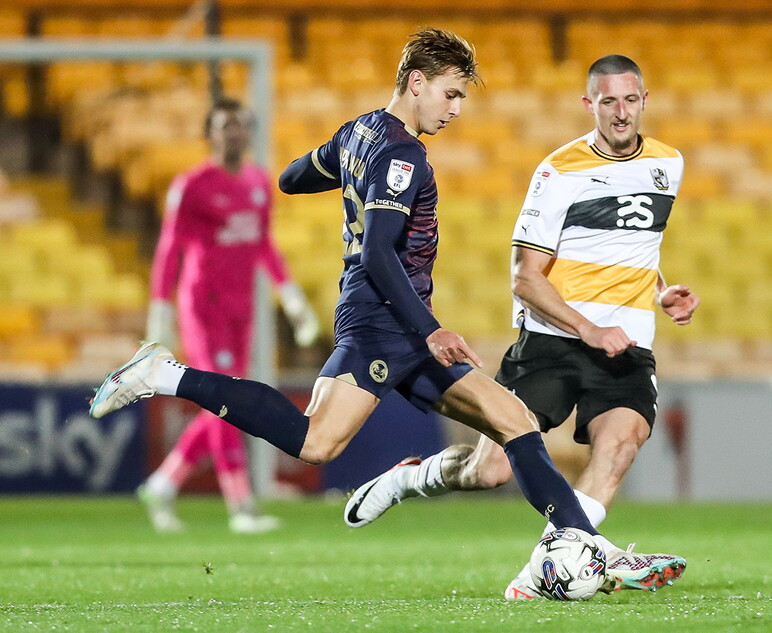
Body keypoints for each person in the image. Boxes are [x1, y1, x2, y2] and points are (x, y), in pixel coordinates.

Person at [89, 29, 660, 594]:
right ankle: (163, 373)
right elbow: (380, 251)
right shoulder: (403, 154)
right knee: (316, 443)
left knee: (515, 422)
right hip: (386, 324)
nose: (455, 109)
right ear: (417, 82)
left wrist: (349, 166)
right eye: (451, 93)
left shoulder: (360, 132)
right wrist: (431, 329)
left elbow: (290, 178)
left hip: (390, 320)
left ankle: (583, 544)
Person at [344, 54, 700, 599]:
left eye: (630, 100)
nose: (621, 113)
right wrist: (587, 328)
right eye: (608, 102)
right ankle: (410, 477)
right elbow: (525, 278)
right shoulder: (558, 171)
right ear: (590, 105)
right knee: (490, 473)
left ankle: (548, 569)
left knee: (622, 440)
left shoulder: (668, 165)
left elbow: (634, 245)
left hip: (627, 346)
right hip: (554, 342)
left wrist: (661, 290)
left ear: (645, 101)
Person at [136, 97, 320, 534]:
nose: (233, 133)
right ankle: (241, 505)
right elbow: (169, 249)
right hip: (204, 307)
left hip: (242, 310)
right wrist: (160, 310)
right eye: (224, 126)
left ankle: (164, 483)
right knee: (227, 402)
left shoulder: (257, 183)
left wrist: (291, 298)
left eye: (239, 125)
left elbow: (262, 245)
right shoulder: (192, 185)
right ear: (210, 134)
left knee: (223, 403)